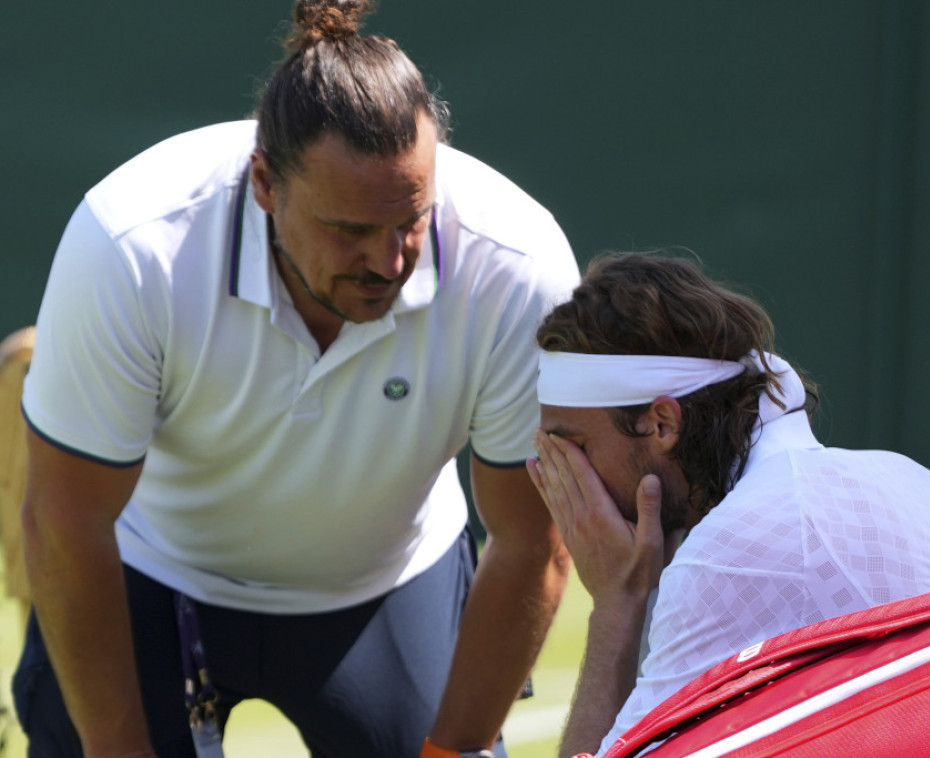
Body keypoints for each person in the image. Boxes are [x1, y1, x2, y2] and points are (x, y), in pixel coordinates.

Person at [14, 1, 580, 756]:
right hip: (148, 572)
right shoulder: (130, 246)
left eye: (411, 219)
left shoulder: (519, 266)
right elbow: (66, 519)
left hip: (392, 577)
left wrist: (452, 751)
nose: (389, 261)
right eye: (350, 229)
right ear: (265, 184)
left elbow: (533, 538)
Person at [525, 253, 930, 758]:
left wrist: (616, 600)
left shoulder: (732, 548)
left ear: (663, 423)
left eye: (574, 446)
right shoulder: (900, 472)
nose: (561, 473)